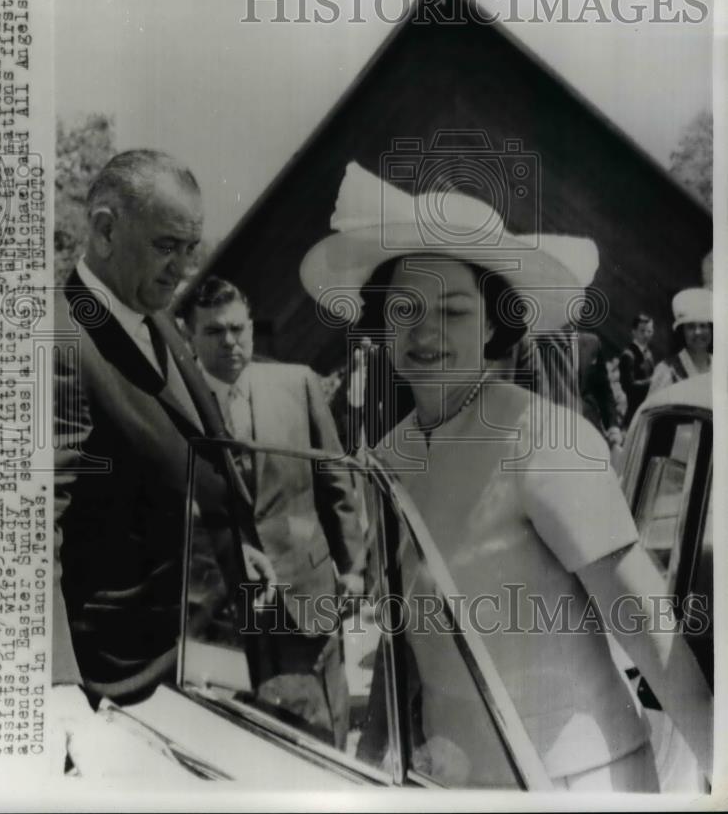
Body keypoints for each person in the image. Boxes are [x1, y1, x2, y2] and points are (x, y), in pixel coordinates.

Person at [300, 162, 712, 791]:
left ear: (492, 324)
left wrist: (720, 759)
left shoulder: (544, 435)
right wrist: (373, 756)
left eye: (454, 311)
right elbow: (402, 637)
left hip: (581, 780)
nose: (427, 331)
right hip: (451, 779)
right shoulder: (387, 456)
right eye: (406, 307)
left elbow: (642, 613)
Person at [52, 151, 274, 772]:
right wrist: (56, 685)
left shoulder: (156, 317)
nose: (184, 268)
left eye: (192, 247)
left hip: (199, 659)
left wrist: (233, 543)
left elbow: (184, 445)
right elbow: (31, 531)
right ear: (103, 229)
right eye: (167, 246)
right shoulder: (61, 340)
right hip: (115, 690)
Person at [184, 276, 364, 749]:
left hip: (307, 588)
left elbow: (335, 481)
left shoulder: (297, 383)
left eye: (238, 328)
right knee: (250, 730)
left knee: (325, 723)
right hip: (222, 608)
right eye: (214, 331)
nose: (230, 341)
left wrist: (353, 568)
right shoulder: (178, 408)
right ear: (190, 335)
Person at [649, 288, 712, 394]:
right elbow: (654, 409)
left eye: (703, 326)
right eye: (691, 327)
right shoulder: (666, 371)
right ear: (682, 332)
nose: (698, 332)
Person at [618, 313, 656, 427]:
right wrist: (652, 382)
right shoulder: (628, 355)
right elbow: (628, 386)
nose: (646, 335)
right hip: (634, 411)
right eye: (642, 331)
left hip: (648, 409)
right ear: (634, 332)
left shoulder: (648, 353)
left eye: (649, 331)